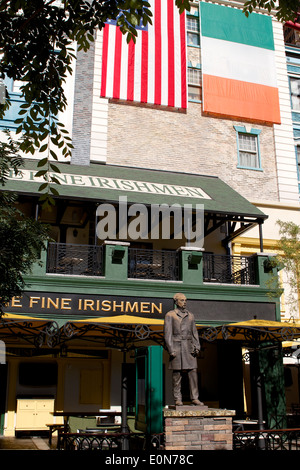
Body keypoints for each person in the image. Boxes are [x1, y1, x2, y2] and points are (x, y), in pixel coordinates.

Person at [164, 293, 203, 406]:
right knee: (177, 375)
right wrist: (171, 349)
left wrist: (197, 346)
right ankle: (177, 399)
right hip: (177, 347)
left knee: (193, 372)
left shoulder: (190, 315)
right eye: (182, 300)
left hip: (189, 347)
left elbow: (194, 332)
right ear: (176, 302)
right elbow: (167, 334)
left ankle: (195, 398)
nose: (185, 302)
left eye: (185, 300)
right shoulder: (170, 315)